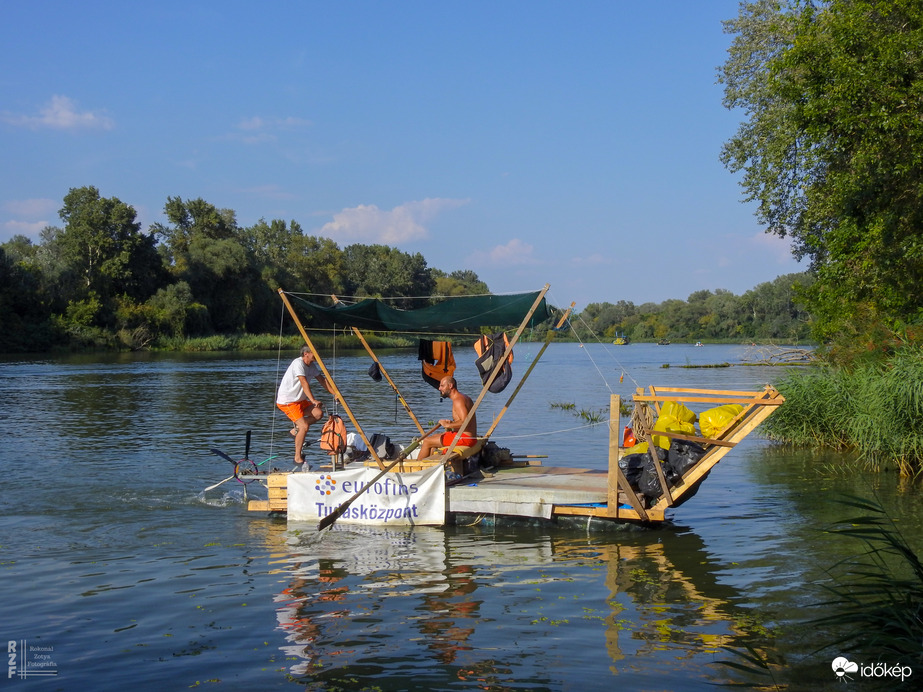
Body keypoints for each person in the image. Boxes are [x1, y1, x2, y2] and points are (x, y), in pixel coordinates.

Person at [276, 346, 335, 469]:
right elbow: (303, 382)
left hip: (300, 401)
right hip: (288, 401)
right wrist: (313, 400)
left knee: (318, 413)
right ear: (306, 354)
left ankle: (295, 430)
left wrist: (335, 393)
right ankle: (297, 457)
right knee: (304, 426)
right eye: (315, 353)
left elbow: (322, 380)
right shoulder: (298, 363)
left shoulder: (312, 366)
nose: (317, 355)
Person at [418, 376, 478, 459]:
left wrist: (447, 425)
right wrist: (452, 423)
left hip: (465, 439)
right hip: (464, 436)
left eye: (442, 386)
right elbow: (463, 420)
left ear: (450, 386)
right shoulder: (463, 397)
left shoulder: (458, 400)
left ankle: (418, 467)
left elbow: (465, 422)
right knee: (433, 438)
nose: (439, 388)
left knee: (427, 441)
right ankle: (431, 466)